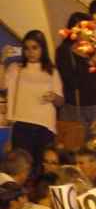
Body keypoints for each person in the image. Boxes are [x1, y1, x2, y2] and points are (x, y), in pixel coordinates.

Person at [1, 31, 61, 166]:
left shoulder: (51, 71)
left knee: (41, 166)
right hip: (21, 123)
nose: (30, 52)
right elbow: (2, 85)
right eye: (27, 48)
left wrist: (53, 97)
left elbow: (60, 100)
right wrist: (1, 60)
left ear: (42, 48)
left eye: (35, 47)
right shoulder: (16, 68)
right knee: (21, 166)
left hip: (44, 124)